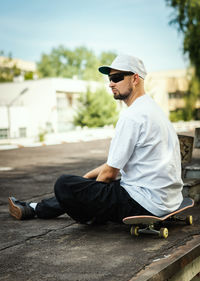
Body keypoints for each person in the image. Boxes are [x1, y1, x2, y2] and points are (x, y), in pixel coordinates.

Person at [8, 54, 183, 224]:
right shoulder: (154, 110)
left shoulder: (132, 116)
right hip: (167, 199)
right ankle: (35, 208)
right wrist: (86, 181)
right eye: (109, 78)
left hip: (144, 204)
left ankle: (52, 210)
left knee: (64, 184)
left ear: (135, 78)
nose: (110, 84)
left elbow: (109, 174)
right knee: (85, 183)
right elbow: (113, 164)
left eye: (117, 77)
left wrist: (89, 198)